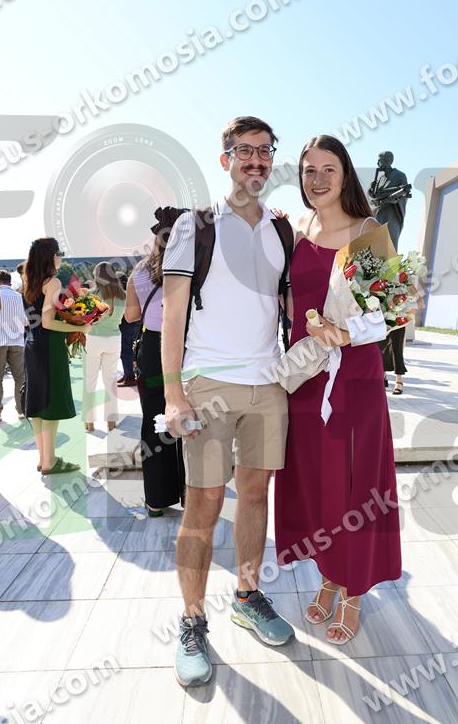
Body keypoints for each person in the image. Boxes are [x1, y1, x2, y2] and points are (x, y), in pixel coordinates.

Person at [162, 116, 294, 687]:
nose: (256, 160)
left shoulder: (282, 229)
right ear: (226, 161)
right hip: (209, 385)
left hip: (269, 384)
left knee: (256, 495)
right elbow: (172, 314)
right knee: (204, 502)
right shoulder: (195, 226)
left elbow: (287, 304)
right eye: (245, 151)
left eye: (265, 151)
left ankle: (247, 595)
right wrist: (173, 394)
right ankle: (192, 621)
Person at [275, 135, 402, 646]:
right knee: (318, 481)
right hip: (306, 379)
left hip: (354, 378)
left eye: (329, 168)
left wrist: (345, 334)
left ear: (346, 174)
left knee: (353, 484)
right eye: (309, 170)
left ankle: (352, 589)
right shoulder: (297, 231)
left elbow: (392, 311)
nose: (319, 179)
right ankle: (330, 572)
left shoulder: (368, 232)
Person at [125, 224, 185, 516]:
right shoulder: (189, 267)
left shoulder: (139, 271)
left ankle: (157, 500)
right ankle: (191, 493)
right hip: (185, 345)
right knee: (190, 417)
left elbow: (131, 316)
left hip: (152, 348)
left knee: (155, 419)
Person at [23, 238, 91, 474]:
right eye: (59, 253)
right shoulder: (52, 282)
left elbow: (35, 321)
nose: (61, 257)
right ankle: (50, 461)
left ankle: (44, 458)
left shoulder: (28, 281)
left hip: (32, 345)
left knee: (38, 404)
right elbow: (48, 322)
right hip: (49, 346)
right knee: (51, 403)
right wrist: (80, 327)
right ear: (50, 256)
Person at [82, 262, 126, 431]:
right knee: (110, 381)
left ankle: (89, 422)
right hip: (114, 338)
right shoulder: (123, 296)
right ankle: (111, 421)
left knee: (90, 380)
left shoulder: (93, 295)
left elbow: (86, 318)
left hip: (93, 338)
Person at [0, 269, 27, 422]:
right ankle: (21, 410)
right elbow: (25, 321)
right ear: (9, 282)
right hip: (17, 341)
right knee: (20, 377)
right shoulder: (19, 297)